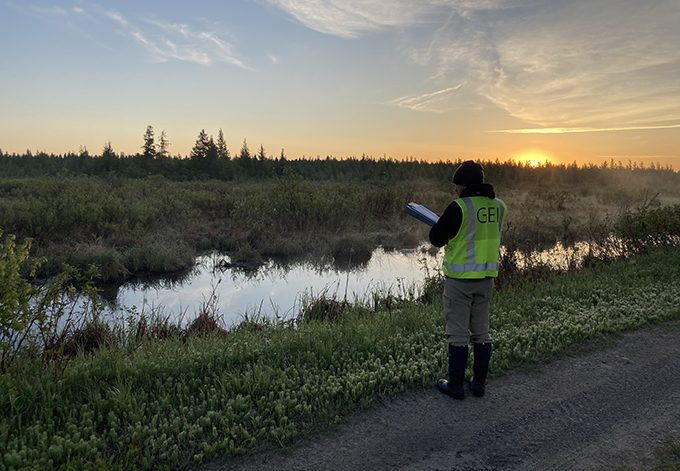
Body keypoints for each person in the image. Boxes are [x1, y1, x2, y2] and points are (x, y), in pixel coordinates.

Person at [429, 160, 507, 400]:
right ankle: (479, 385)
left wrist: (441, 222)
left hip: (460, 280)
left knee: (457, 333)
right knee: (482, 332)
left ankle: (455, 386)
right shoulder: (499, 206)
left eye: (457, 185)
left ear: (464, 186)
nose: (455, 190)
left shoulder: (459, 207)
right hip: (486, 278)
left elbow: (436, 238)